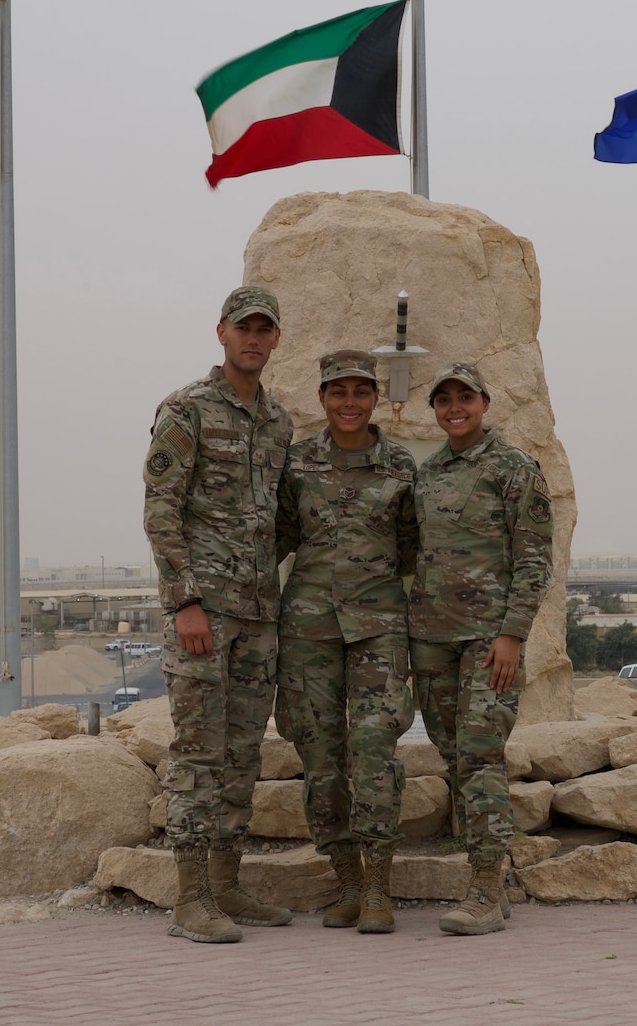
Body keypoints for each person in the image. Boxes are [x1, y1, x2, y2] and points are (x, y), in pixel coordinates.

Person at [142, 285, 295, 944]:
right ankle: (191, 898)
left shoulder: (279, 422)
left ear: (274, 339)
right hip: (203, 614)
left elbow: (281, 519)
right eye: (243, 328)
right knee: (199, 756)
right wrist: (186, 601)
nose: (252, 339)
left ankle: (228, 884)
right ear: (221, 333)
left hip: (259, 614)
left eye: (263, 329)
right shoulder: (187, 410)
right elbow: (160, 511)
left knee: (240, 756)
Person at [275, 350, 419, 934]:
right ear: (322, 399)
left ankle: (380, 888)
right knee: (320, 760)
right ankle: (348, 881)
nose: (350, 403)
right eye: (339, 393)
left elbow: (413, 547)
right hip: (307, 631)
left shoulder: (401, 467)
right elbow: (280, 538)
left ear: (376, 399)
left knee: (374, 755)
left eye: (361, 392)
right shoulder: (297, 465)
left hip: (379, 630)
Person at [409, 362, 554, 936]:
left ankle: (486, 891)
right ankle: (491, 877)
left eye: (464, 397)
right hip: (432, 641)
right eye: (443, 400)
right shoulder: (429, 473)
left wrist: (512, 634)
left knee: (479, 756)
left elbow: (535, 557)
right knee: (456, 758)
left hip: (488, 643)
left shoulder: (513, 467)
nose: (454, 408)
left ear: (484, 403)